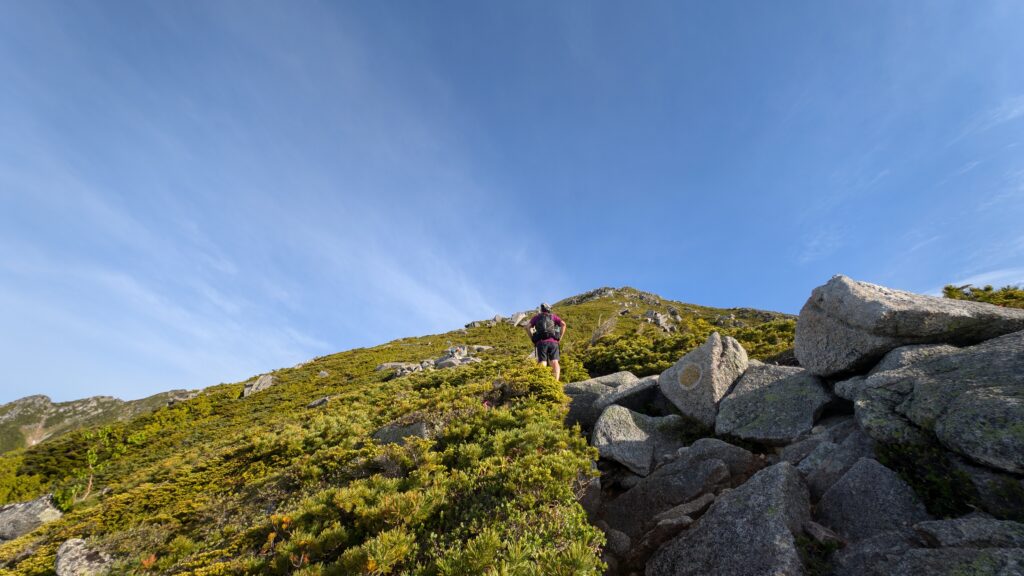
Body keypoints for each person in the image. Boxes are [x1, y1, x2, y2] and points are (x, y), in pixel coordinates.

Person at [525, 303, 567, 381]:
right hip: (553, 342)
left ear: (541, 310)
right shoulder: (553, 316)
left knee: (542, 361)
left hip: (541, 342)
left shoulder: (536, 317)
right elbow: (563, 324)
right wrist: (560, 338)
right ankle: (556, 382)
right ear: (549, 309)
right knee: (555, 362)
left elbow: (527, 327)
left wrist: (533, 339)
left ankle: (542, 381)